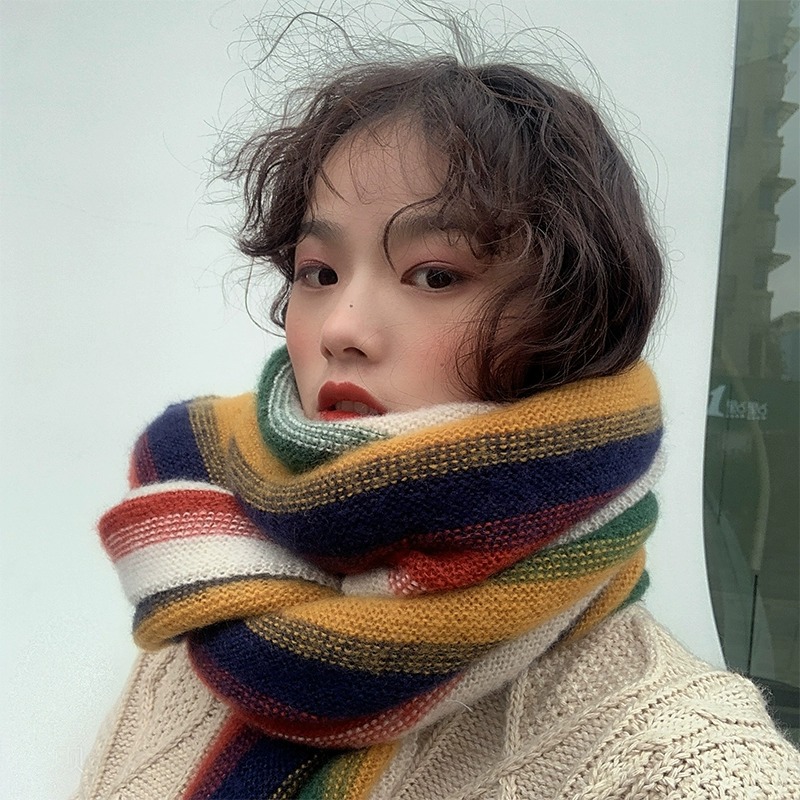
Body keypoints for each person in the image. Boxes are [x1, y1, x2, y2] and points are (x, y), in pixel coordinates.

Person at [74, 12, 800, 800]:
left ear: (568, 324)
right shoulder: (209, 605)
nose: (341, 327)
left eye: (434, 275)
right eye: (318, 273)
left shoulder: (688, 767)